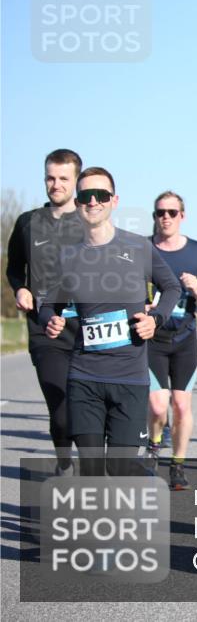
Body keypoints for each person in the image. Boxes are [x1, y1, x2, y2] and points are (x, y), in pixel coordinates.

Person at [40, 167, 181, 477]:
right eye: (86, 196)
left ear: (114, 201)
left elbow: (172, 288)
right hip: (84, 378)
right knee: (90, 470)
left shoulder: (138, 247)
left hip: (129, 379)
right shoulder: (69, 256)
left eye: (100, 195)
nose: (93, 202)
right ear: (77, 203)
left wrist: (155, 320)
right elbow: (49, 303)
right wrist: (50, 319)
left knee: (119, 468)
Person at [5, 149, 85, 475]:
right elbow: (14, 269)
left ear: (76, 181)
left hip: (87, 325)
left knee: (89, 405)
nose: (56, 184)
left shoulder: (91, 222)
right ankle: (64, 458)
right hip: (45, 326)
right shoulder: (27, 222)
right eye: (50, 178)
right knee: (61, 407)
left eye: (63, 178)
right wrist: (19, 288)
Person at [145, 191, 197, 490]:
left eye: (172, 212)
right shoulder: (142, 248)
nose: (166, 217)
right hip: (152, 339)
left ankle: (178, 464)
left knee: (181, 405)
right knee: (158, 405)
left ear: (182, 216)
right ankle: (153, 447)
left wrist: (196, 289)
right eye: (160, 212)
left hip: (185, 338)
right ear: (154, 216)